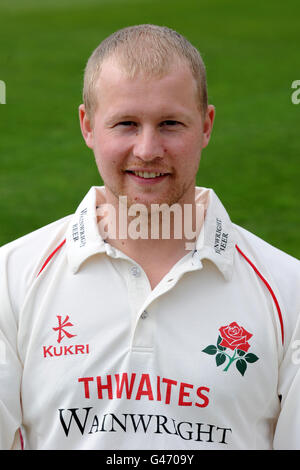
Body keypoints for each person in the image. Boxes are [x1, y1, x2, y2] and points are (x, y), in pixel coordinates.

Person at [0, 24, 300, 451]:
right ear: (87, 126)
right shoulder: (10, 278)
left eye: (170, 123)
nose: (147, 149)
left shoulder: (288, 291)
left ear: (206, 126)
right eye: (125, 123)